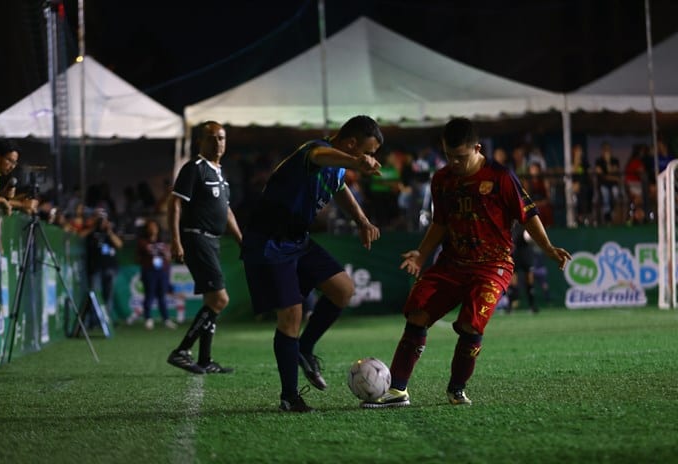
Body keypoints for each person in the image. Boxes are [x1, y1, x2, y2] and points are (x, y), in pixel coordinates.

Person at [362, 118, 571, 408]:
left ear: (477, 148)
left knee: (471, 327)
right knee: (417, 314)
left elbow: (528, 214)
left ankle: (456, 390)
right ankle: (398, 391)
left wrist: (547, 247)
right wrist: (421, 254)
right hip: (451, 264)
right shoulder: (442, 179)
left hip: (492, 266)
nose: (454, 162)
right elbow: (440, 223)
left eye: (460, 157)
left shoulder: (501, 177)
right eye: (449, 156)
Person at [240, 115, 383, 413]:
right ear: (352, 143)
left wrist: (362, 220)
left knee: (343, 290)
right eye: (367, 151)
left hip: (297, 239)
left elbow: (340, 187)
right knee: (291, 314)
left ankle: (305, 348)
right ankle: (289, 397)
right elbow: (321, 156)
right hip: (270, 241)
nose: (370, 158)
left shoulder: (338, 166)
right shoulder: (314, 150)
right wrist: (358, 163)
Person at [166, 120, 243, 375]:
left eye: (221, 138)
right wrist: (175, 240)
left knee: (212, 300)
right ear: (201, 141)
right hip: (196, 238)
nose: (217, 142)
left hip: (212, 240)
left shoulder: (220, 173)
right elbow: (174, 205)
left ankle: (205, 359)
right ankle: (181, 351)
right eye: (211, 138)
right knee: (220, 299)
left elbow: (227, 210)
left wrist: (241, 238)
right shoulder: (194, 168)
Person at [136, 219, 176, 330]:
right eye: (150, 226)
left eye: (155, 226)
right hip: (149, 271)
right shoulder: (142, 241)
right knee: (149, 295)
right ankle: (148, 319)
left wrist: (167, 256)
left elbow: (168, 257)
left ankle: (166, 319)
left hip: (162, 272)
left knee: (162, 296)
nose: (153, 229)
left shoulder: (163, 241)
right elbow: (138, 257)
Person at [85, 209, 124, 323]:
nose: (101, 221)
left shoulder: (111, 230)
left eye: (103, 218)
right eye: (98, 218)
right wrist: (93, 226)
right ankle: (94, 320)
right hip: (95, 267)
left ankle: (106, 320)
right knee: (95, 294)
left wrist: (109, 231)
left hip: (110, 267)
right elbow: (81, 236)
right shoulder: (91, 232)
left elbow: (119, 244)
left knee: (109, 295)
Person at [0, 138, 37, 215]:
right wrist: (22, 205)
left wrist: (3, 196)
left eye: (14, 163)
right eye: (9, 160)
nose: (12, 166)